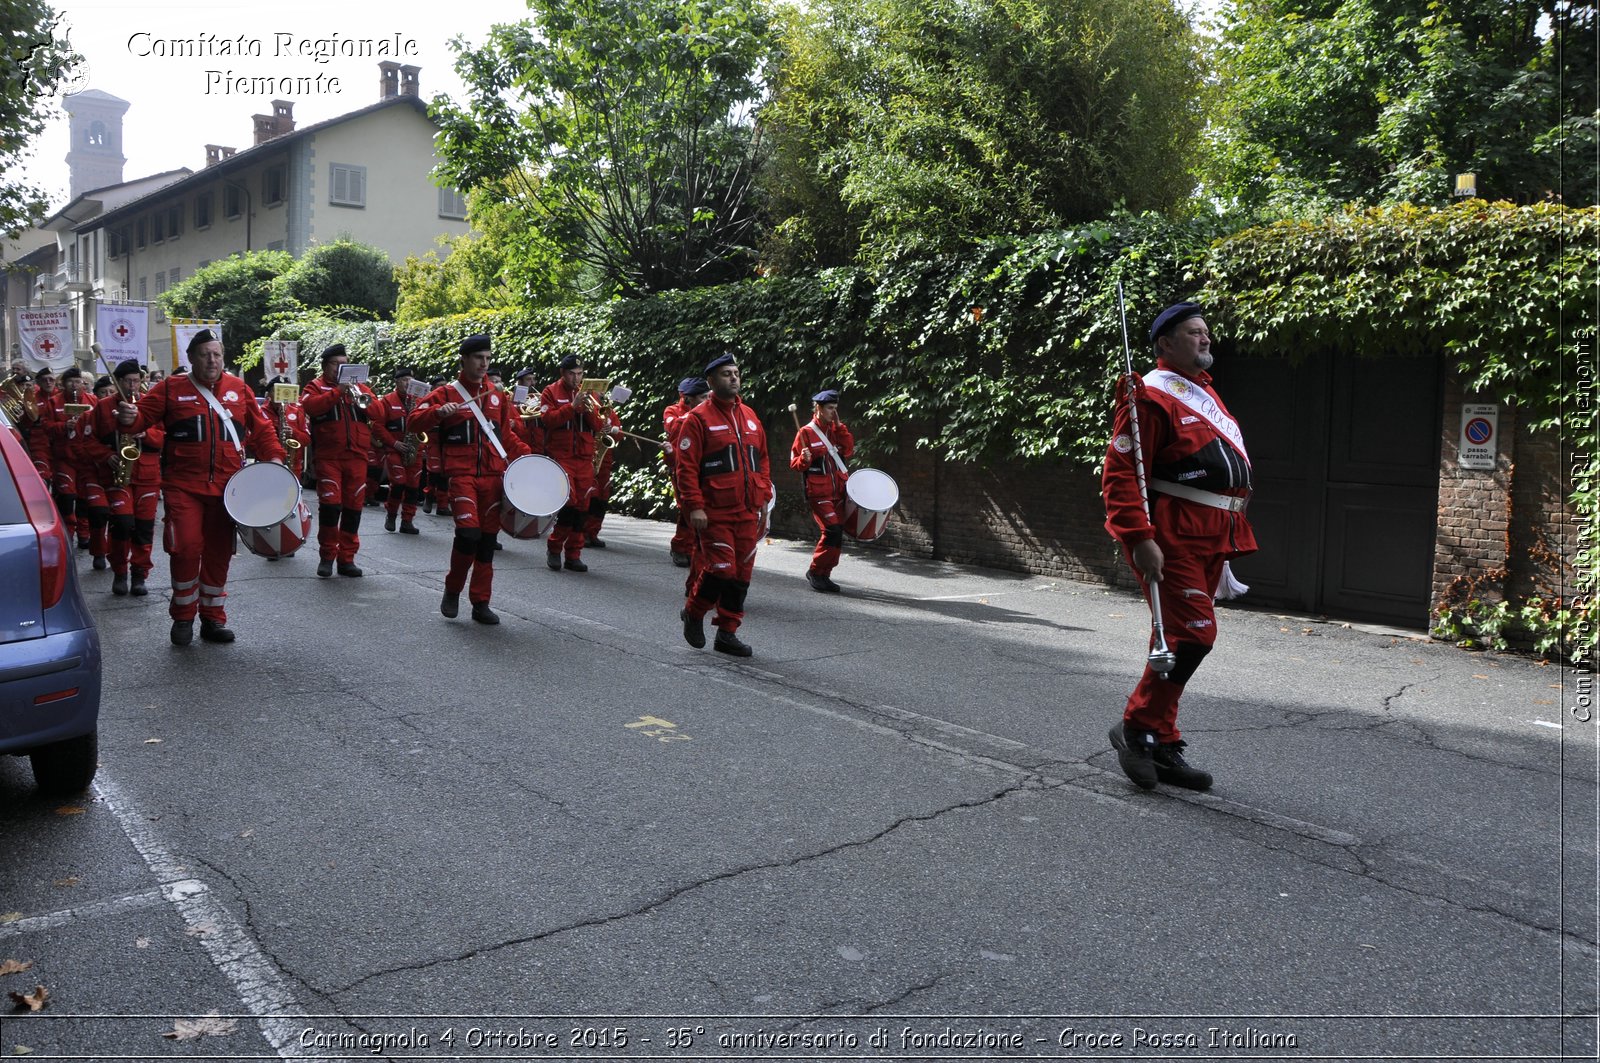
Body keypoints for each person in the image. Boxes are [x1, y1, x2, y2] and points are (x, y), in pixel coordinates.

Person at [1102, 302, 1257, 792]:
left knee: (1171, 639)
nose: (1206, 339)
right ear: (1165, 344)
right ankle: (1136, 727)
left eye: (1207, 332)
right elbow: (1121, 476)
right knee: (1194, 636)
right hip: (1173, 538)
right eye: (1195, 333)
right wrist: (1140, 538)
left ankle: (1162, 741)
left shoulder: (1204, 394)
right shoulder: (1148, 396)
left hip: (1213, 536)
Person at [116, 329, 287, 645]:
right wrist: (128, 417)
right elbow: (139, 421)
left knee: (218, 554)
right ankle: (182, 618)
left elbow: (262, 432)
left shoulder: (240, 389)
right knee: (186, 548)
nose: (212, 360)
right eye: (205, 354)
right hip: (184, 487)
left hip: (228, 491)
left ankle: (212, 620)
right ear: (191, 358)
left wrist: (275, 459)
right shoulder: (170, 389)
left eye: (217, 354)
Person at [410, 334, 532, 625]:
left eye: (488, 358)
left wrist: (529, 460)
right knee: (468, 534)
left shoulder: (495, 395)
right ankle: (452, 590)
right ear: (464, 360)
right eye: (479, 358)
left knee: (488, 542)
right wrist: (438, 413)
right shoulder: (446, 394)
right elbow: (414, 420)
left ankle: (481, 602)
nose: (484, 363)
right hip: (461, 475)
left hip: (492, 477)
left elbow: (506, 436)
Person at [676, 352, 772, 658]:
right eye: (726, 373)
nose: (733, 377)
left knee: (741, 576)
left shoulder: (752, 417)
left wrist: (764, 497)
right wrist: (695, 507)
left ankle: (727, 633)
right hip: (714, 511)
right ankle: (694, 611)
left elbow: (763, 460)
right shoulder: (697, 419)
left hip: (747, 510)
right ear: (711, 381)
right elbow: (685, 468)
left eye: (736, 372)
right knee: (722, 570)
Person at [299, 344, 378, 578]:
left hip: (357, 457)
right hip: (329, 457)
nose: (341, 367)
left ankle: (347, 559)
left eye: (345, 363)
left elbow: (378, 413)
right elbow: (310, 406)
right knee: (331, 507)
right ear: (326, 365)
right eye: (336, 363)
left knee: (353, 510)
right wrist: (337, 391)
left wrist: (361, 395)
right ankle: (327, 556)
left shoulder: (360, 388)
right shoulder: (315, 386)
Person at [92, 360, 162, 595]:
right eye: (128, 381)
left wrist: (147, 432)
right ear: (117, 381)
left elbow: (166, 437)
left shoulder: (150, 403)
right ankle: (119, 571)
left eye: (137, 380)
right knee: (122, 523)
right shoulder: (102, 407)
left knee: (143, 528)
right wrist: (105, 455)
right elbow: (87, 441)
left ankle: (139, 574)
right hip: (118, 473)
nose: (133, 386)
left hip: (148, 474)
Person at [540, 355, 613, 572]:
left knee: (583, 506)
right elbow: (548, 420)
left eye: (580, 374)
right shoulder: (550, 392)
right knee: (569, 503)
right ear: (563, 373)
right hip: (562, 456)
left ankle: (573, 554)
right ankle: (554, 548)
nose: (576, 378)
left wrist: (592, 413)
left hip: (584, 457)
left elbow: (599, 426)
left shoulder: (589, 394)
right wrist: (572, 407)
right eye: (572, 373)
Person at [790, 388, 856, 593]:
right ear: (818, 408)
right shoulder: (805, 432)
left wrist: (839, 426)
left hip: (838, 492)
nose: (833, 412)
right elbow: (794, 464)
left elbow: (848, 450)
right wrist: (804, 459)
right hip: (819, 494)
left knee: (837, 534)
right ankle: (816, 571)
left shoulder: (836, 430)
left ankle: (824, 574)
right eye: (829, 408)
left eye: (835, 408)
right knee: (832, 530)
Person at [368, 366, 426, 534]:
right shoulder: (386, 401)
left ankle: (407, 521)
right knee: (399, 483)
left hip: (414, 449)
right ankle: (392, 514)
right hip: (394, 449)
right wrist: (394, 443)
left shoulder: (419, 400)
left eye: (410, 380)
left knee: (413, 487)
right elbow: (377, 427)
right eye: (404, 380)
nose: (408, 383)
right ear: (397, 382)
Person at [662, 376, 708, 567]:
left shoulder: (704, 411)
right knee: (687, 509)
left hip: (702, 466)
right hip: (679, 465)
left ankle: (695, 548)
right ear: (687, 398)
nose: (707, 401)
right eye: (703, 397)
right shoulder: (672, 411)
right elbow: (673, 426)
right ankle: (680, 547)